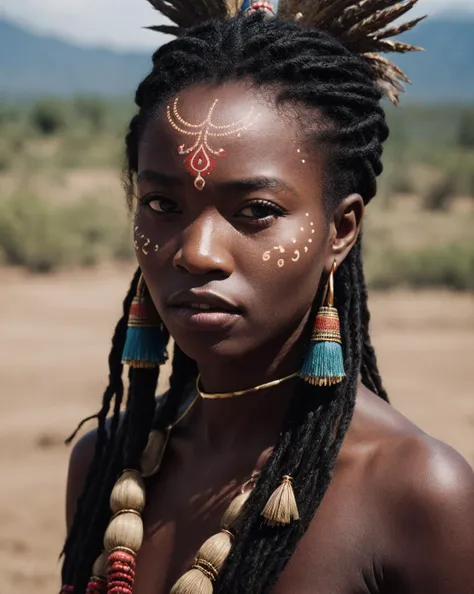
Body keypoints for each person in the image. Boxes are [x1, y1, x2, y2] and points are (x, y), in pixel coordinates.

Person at [60, 1, 474, 593]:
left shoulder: (419, 495)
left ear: (341, 231)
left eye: (256, 211)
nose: (196, 252)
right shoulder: (105, 467)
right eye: (161, 204)